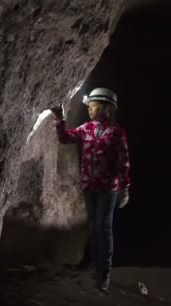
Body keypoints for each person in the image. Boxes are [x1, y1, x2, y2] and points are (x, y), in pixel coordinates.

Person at [51, 87, 131, 291]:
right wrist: (60, 120)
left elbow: (123, 162)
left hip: (108, 188)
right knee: (95, 227)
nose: (89, 110)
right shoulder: (86, 128)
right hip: (89, 186)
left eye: (93, 106)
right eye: (89, 107)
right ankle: (95, 267)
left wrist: (124, 188)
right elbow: (65, 138)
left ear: (107, 109)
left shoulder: (116, 133)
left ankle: (104, 272)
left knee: (103, 226)